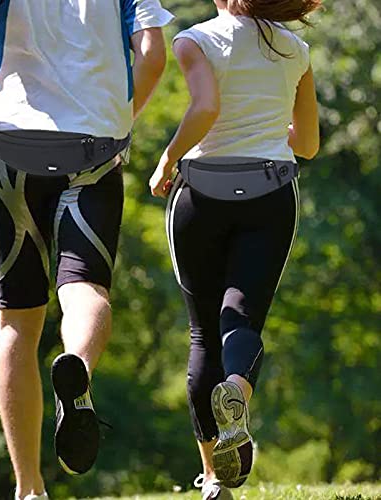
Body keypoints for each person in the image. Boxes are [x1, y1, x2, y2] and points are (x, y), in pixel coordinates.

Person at [0, 0, 173, 498]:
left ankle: (29, 489)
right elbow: (153, 51)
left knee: (15, 321)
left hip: (11, 146)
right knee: (84, 289)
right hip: (93, 150)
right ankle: (78, 367)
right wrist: (122, 114)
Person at [149, 0, 320, 498]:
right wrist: (266, 127)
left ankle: (213, 482)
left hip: (201, 194)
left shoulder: (195, 40)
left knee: (203, 333)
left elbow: (206, 109)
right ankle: (237, 393)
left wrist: (167, 159)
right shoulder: (296, 50)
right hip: (270, 193)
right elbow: (306, 143)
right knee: (240, 319)